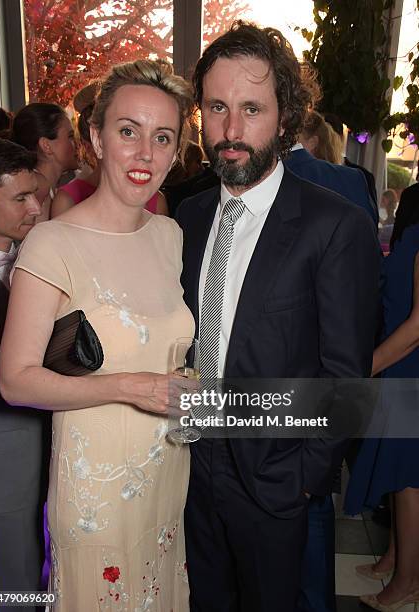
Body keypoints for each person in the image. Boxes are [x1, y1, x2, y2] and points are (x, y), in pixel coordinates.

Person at [177, 21, 381, 612]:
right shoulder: (187, 216)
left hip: (275, 477)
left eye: (251, 108)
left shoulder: (334, 226)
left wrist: (303, 479)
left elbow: (348, 378)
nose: (231, 131)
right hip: (188, 468)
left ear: (286, 116)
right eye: (217, 107)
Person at [0, 59, 195, 610]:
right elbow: (16, 381)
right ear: (96, 137)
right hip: (96, 496)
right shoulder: (52, 244)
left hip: (168, 478)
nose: (144, 154)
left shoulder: (171, 236)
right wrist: (128, 386)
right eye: (128, 131)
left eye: (163, 138)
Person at [284, 108, 377, 612]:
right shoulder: (350, 181)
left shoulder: (211, 183)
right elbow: (366, 292)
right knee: (315, 518)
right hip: (325, 384)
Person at [345, 185, 419, 612]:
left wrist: (361, 369)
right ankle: (396, 558)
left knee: (408, 480)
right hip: (401, 366)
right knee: (398, 474)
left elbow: (416, 327)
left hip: (410, 368)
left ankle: (408, 581)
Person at [0, 136, 46, 612]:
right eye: (20, 198)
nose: (35, 209)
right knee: (16, 583)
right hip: (1, 462)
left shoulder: (33, 258)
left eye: (37, 195)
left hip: (46, 449)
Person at [51, 84, 168, 217]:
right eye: (127, 133)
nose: (145, 153)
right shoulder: (67, 200)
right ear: (94, 141)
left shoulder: (156, 200)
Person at [11, 103, 78, 221]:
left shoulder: (48, 188)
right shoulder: (38, 194)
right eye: (70, 136)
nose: (77, 143)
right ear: (46, 146)